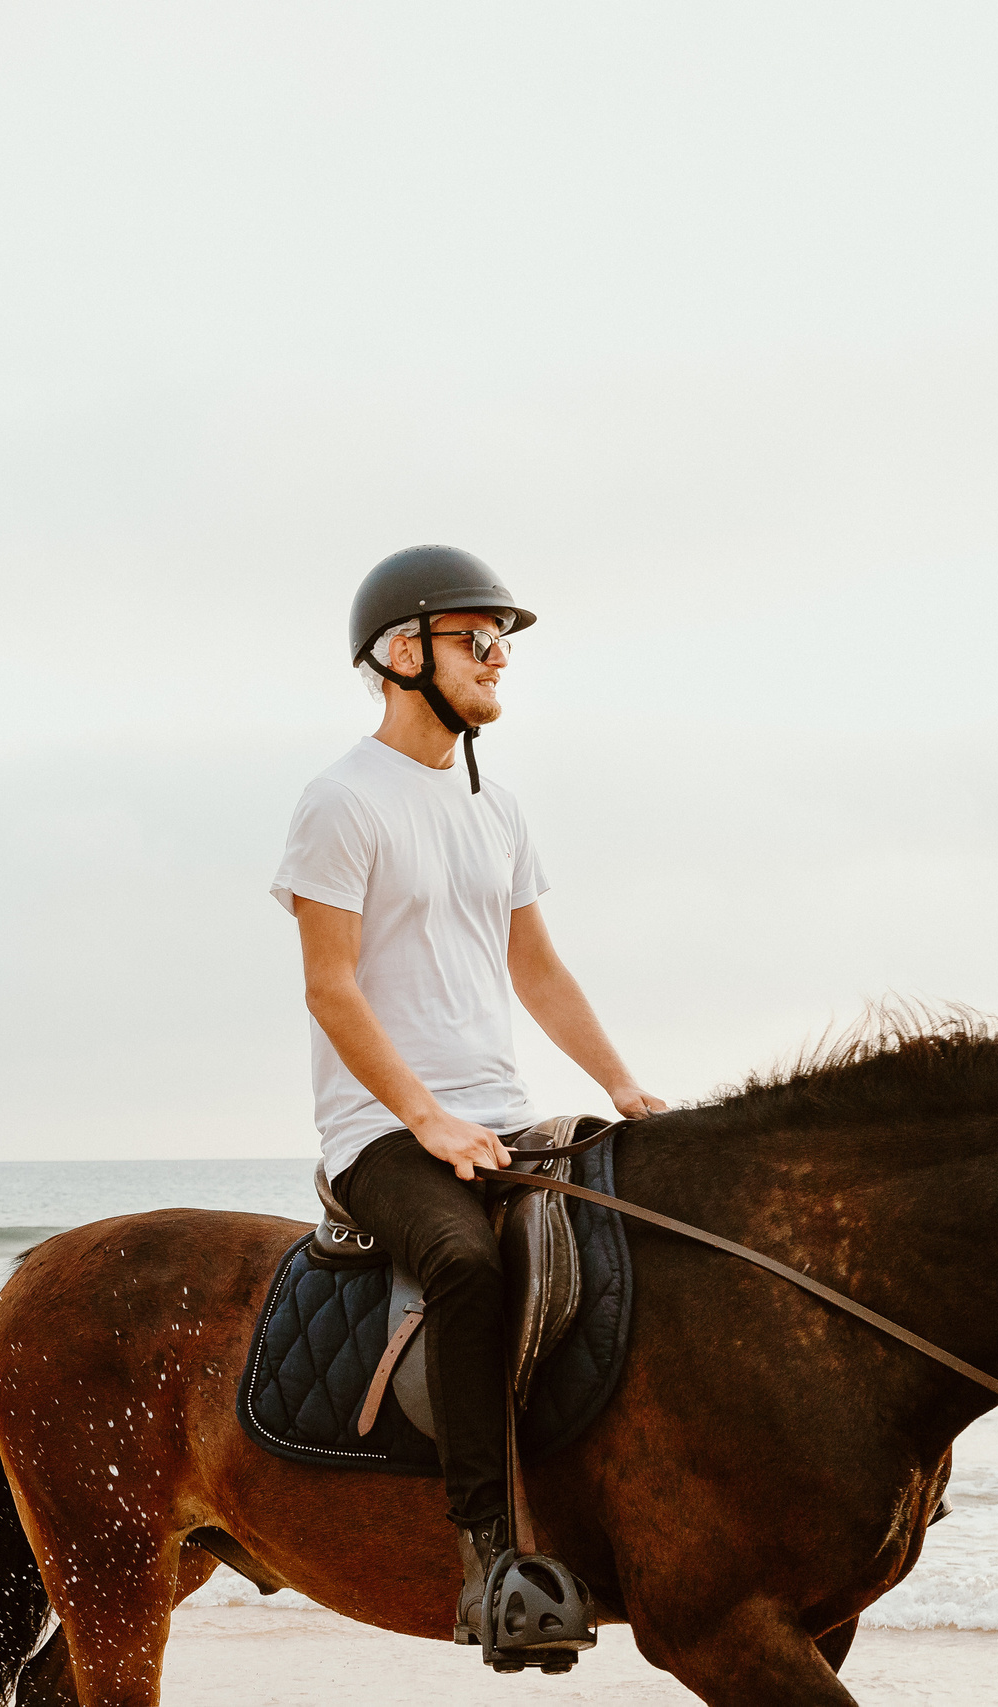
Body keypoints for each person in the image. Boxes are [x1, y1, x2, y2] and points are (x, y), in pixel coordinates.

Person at [269, 543, 668, 1655]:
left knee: (647, 1237)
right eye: (475, 639)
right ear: (402, 654)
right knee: (463, 1261)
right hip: (381, 1130)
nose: (500, 660)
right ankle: (488, 1555)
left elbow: (537, 970)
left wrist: (620, 1085)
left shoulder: (498, 810)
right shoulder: (340, 802)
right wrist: (425, 1118)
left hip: (500, 1109)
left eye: (504, 644)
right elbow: (329, 987)